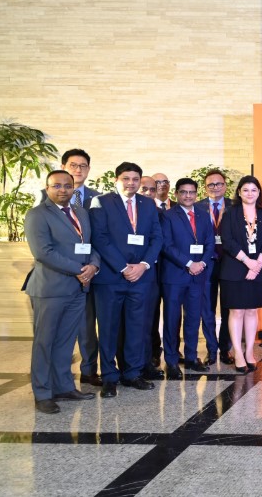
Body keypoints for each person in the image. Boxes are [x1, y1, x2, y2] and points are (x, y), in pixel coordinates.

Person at [25, 170, 100, 413]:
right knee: (45, 343)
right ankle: (43, 393)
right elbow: (43, 252)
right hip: (50, 289)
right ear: (47, 188)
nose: (63, 190)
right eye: (56, 186)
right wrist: (79, 270)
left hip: (78, 288)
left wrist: (93, 265)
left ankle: (64, 387)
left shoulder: (80, 212)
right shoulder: (37, 215)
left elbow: (90, 245)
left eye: (67, 186)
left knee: (66, 342)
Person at [90, 162, 162, 397]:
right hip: (111, 278)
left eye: (135, 179)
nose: (131, 183)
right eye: (126, 178)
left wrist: (143, 265)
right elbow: (100, 238)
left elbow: (157, 237)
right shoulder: (101, 202)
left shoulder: (148, 204)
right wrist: (123, 267)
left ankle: (132, 373)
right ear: (116, 180)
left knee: (136, 327)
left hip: (140, 277)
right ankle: (109, 377)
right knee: (108, 329)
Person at [159, 178, 216, 378]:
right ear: (176, 194)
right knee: (172, 319)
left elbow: (210, 242)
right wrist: (189, 263)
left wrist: (202, 263)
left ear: (196, 194)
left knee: (193, 318)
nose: (188, 196)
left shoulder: (203, 215)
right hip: (175, 275)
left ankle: (191, 358)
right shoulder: (167, 216)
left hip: (198, 275)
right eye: (183, 192)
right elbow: (166, 245)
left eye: (192, 192)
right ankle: (172, 361)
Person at [61, 149, 103, 388]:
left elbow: (98, 237)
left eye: (83, 166)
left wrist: (92, 266)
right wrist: (74, 268)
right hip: (61, 273)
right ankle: (60, 376)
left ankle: (89, 371)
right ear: (64, 167)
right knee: (61, 330)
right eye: (73, 165)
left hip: (90, 272)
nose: (78, 170)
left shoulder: (98, 198)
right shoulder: (45, 197)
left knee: (87, 326)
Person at [220, 176, 262, 374]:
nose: (250, 193)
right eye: (246, 190)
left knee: (251, 311)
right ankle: (238, 353)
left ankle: (249, 352)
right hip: (234, 268)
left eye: (254, 190)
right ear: (239, 192)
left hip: (258, 268)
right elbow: (227, 241)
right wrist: (247, 262)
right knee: (237, 312)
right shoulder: (230, 214)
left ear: (259, 193)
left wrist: (257, 264)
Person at [196, 170, 232, 365]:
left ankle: (226, 349)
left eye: (219, 184)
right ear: (205, 187)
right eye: (211, 184)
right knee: (207, 308)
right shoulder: (196, 207)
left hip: (230, 263)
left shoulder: (235, 206)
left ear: (225, 186)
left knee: (228, 308)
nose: (215, 187)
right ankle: (211, 349)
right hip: (205, 263)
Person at [135, 176, 165, 380]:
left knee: (151, 320)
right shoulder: (124, 212)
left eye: (152, 190)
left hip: (154, 273)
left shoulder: (162, 214)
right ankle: (133, 364)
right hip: (129, 271)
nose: (148, 193)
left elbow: (161, 241)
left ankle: (150, 358)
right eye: (144, 189)